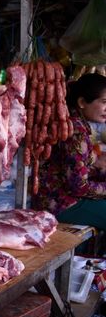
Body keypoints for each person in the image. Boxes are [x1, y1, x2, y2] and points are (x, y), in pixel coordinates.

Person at [33, 73, 106, 231]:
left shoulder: (74, 123)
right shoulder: (76, 131)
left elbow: (73, 171)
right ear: (82, 102)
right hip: (62, 204)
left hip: (58, 200)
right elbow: (78, 186)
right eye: (104, 102)